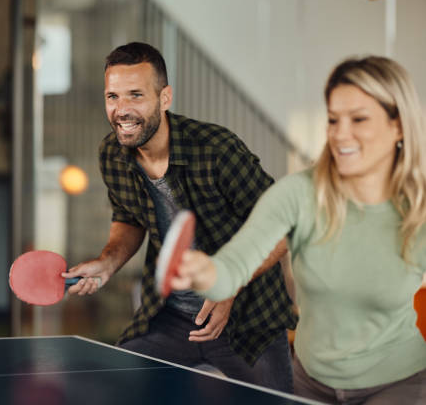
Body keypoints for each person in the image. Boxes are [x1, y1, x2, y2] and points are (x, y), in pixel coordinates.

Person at [171, 56, 426, 404]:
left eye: (359, 119)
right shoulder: (300, 194)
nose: (341, 134)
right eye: (334, 120)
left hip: (396, 382)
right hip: (312, 381)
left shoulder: (419, 209)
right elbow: (235, 265)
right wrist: (203, 271)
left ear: (398, 125)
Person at [62, 42, 297, 393]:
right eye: (113, 97)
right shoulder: (112, 152)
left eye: (135, 95)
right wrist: (107, 262)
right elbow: (129, 217)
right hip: (171, 319)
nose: (121, 110)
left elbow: (282, 224)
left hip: (247, 319)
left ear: (165, 98)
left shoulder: (216, 149)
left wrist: (229, 284)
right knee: (118, 392)